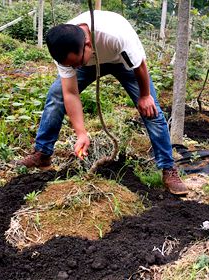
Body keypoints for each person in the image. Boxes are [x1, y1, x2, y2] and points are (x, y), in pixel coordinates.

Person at [16, 10, 188, 195]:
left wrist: (145, 96)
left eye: (76, 63)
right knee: (56, 95)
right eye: (70, 66)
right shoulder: (63, 48)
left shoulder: (115, 36)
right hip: (88, 60)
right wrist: (81, 133)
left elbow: (140, 66)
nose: (74, 68)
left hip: (121, 60)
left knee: (151, 110)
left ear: (88, 44)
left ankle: (168, 169)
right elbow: (70, 93)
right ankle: (43, 154)